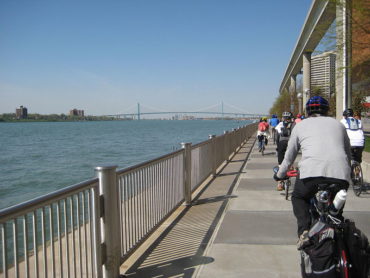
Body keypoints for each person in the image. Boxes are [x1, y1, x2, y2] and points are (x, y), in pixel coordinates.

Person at [273, 96, 351, 249]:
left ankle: (304, 231)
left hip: (311, 174)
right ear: (327, 110)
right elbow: (347, 153)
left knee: (298, 197)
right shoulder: (338, 125)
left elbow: (289, 156)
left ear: (307, 111)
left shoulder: (300, 126)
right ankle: (338, 228)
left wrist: (280, 175)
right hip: (340, 174)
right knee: (336, 210)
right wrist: (347, 175)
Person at [274, 111, 294, 190]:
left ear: (282, 118)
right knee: (290, 159)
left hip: (282, 144)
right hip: (291, 144)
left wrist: (277, 146)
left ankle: (280, 183)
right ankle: (291, 167)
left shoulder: (279, 125)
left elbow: (277, 138)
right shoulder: (294, 125)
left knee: (280, 163)